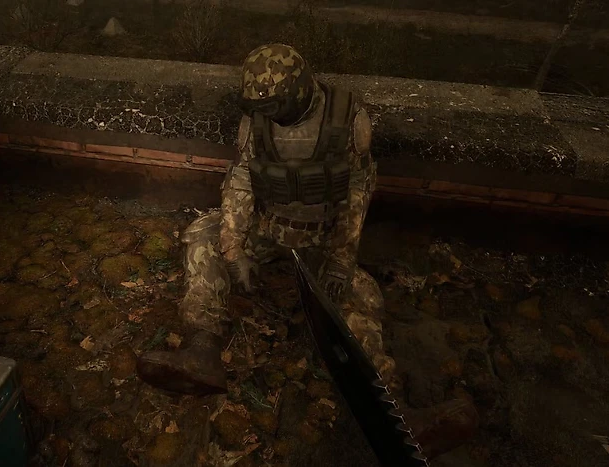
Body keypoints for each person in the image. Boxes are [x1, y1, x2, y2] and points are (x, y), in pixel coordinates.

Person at [137, 44, 478, 459]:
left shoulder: (346, 118)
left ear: (299, 90)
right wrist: (234, 248)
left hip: (320, 241)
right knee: (202, 233)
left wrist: (341, 260)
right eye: (259, 106)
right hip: (268, 229)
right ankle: (202, 348)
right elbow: (241, 180)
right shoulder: (256, 121)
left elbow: (358, 190)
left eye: (275, 105)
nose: (268, 114)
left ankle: (398, 414)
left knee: (360, 296)